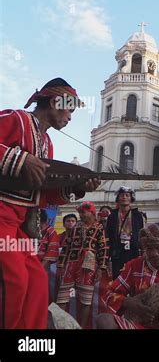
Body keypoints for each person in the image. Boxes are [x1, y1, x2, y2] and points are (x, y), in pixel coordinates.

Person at [0, 78, 100, 329]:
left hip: (21, 225)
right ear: (56, 102)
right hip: (1, 216)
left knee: (36, 282)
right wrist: (19, 158)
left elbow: (43, 194)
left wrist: (75, 188)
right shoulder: (16, 119)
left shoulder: (48, 144)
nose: (70, 118)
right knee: (15, 280)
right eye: (69, 110)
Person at [56, 201, 108, 328]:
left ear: (91, 212)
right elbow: (66, 246)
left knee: (86, 300)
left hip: (89, 264)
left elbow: (103, 249)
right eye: (79, 212)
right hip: (71, 263)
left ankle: (81, 327)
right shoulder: (75, 228)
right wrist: (61, 265)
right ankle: (62, 326)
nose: (81, 215)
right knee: (62, 297)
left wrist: (101, 268)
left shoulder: (99, 228)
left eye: (83, 212)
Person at [106, 187, 145, 279]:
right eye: (122, 195)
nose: (124, 197)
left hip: (133, 249)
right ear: (118, 198)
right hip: (117, 250)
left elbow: (141, 233)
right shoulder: (112, 216)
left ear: (131, 199)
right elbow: (108, 234)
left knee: (133, 275)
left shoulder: (137, 215)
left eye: (127, 195)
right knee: (117, 276)